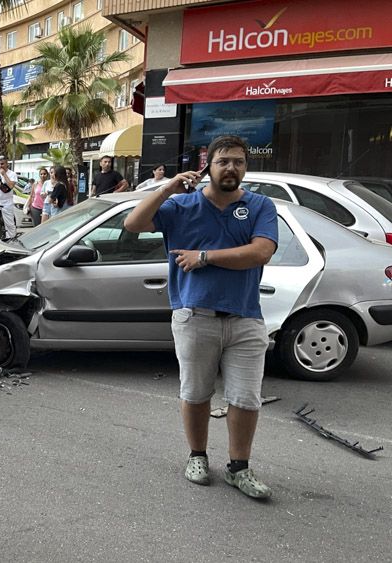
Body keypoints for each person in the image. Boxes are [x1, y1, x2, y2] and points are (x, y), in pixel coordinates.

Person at [124, 135, 278, 500]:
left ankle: (238, 468)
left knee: (246, 399)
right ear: (208, 165)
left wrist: (204, 257)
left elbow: (261, 252)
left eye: (238, 161)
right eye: (223, 161)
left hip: (245, 318)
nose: (231, 168)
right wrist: (168, 188)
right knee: (195, 393)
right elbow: (133, 223)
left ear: (245, 167)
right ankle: (197, 456)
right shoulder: (182, 206)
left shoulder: (259, 206)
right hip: (195, 315)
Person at [0, 155, 18, 240]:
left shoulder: (12, 174)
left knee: (9, 224)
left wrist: (4, 175)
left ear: (6, 164)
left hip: (7, 202)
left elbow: (11, 185)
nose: (0, 166)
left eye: (2, 164)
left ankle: (11, 240)